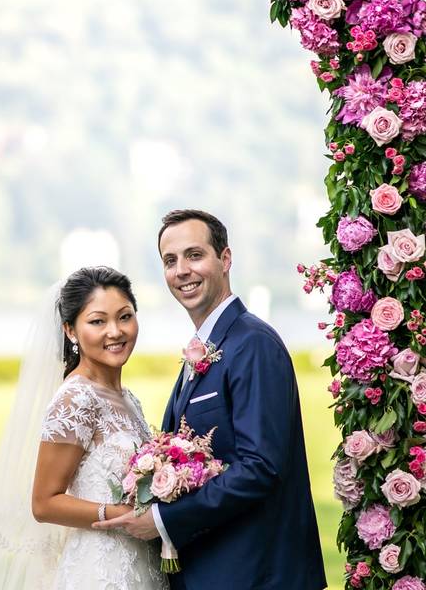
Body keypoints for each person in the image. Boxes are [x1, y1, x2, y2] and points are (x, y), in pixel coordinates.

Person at [94, 209, 326, 590]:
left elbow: (259, 467)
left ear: (226, 259)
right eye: (170, 261)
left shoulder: (253, 344)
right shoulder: (208, 347)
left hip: (258, 575)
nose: (182, 270)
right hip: (217, 572)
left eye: (194, 255)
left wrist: (164, 521)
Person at [0, 267, 167, 590]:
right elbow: (44, 502)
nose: (115, 331)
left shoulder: (128, 399)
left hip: (143, 562)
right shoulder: (76, 398)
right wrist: (122, 516)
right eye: (98, 321)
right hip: (100, 571)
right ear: (71, 331)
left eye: (124, 317)